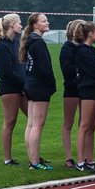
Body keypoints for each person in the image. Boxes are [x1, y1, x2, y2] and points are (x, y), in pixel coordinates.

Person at [0, 13, 26, 166]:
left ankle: (35, 156)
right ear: (11, 25)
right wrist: (23, 83)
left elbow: (20, 67)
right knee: (10, 122)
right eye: (19, 23)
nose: (21, 26)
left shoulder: (15, 43)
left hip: (22, 87)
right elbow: (6, 72)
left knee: (34, 121)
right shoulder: (1, 46)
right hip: (10, 89)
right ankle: (8, 159)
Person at [19, 12, 55, 170]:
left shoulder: (30, 40)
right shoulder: (38, 42)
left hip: (31, 84)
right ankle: (34, 162)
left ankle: (32, 159)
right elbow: (44, 67)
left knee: (31, 124)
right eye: (44, 21)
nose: (47, 23)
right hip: (39, 86)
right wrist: (51, 85)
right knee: (37, 125)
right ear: (35, 25)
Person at [71, 21, 95, 172]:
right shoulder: (81, 51)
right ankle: (81, 162)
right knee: (85, 125)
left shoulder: (93, 50)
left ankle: (90, 159)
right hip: (87, 89)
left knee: (93, 126)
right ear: (90, 33)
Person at [59, 19, 83, 168]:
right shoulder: (67, 48)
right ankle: (68, 157)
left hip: (85, 88)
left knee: (84, 123)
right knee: (69, 123)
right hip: (72, 88)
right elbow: (67, 70)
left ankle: (84, 155)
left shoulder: (84, 48)